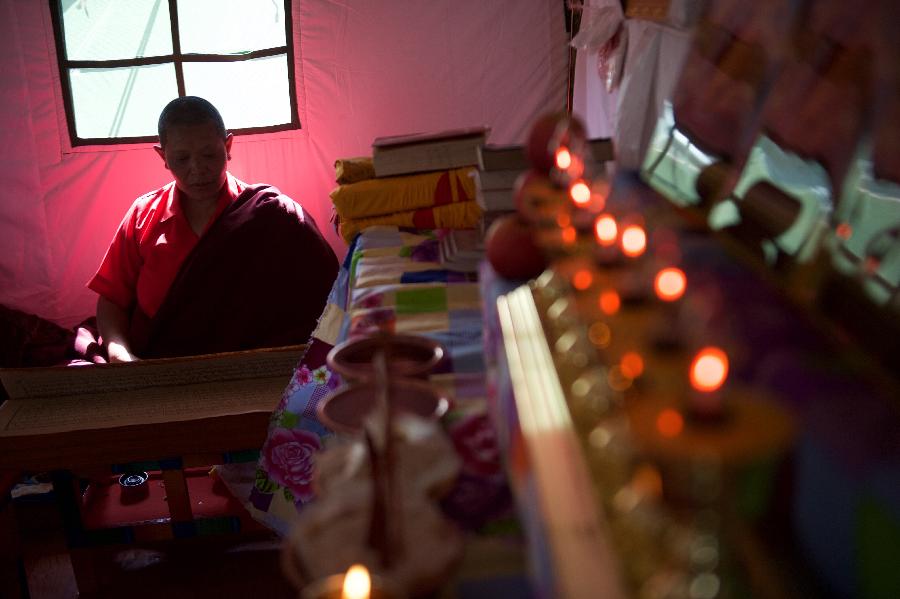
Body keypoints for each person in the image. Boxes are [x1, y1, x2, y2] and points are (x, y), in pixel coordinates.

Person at [87, 96, 339, 362]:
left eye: (209, 154)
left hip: (254, 365)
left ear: (228, 145)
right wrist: (120, 355)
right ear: (163, 156)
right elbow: (112, 300)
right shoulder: (143, 215)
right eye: (181, 158)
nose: (198, 169)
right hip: (159, 367)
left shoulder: (270, 214)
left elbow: (326, 295)